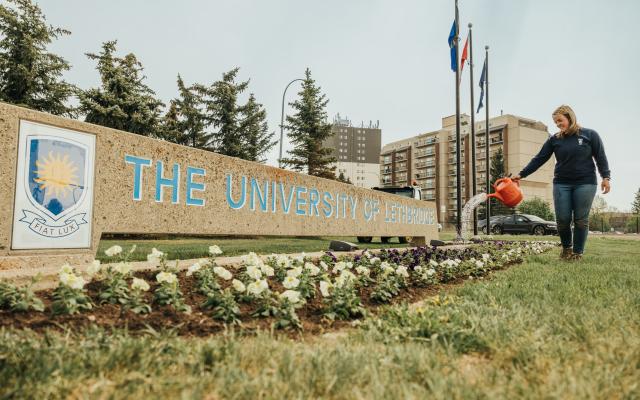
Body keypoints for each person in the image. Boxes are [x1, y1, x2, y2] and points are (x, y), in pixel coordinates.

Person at [512, 105, 610, 260]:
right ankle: (566, 249)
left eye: (560, 120)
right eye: (555, 122)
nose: (558, 124)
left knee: (580, 220)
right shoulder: (554, 140)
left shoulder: (590, 135)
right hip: (561, 183)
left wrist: (606, 177)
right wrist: (522, 174)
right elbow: (539, 158)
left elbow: (601, 157)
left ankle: (578, 253)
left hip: (585, 183)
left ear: (570, 118)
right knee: (562, 219)